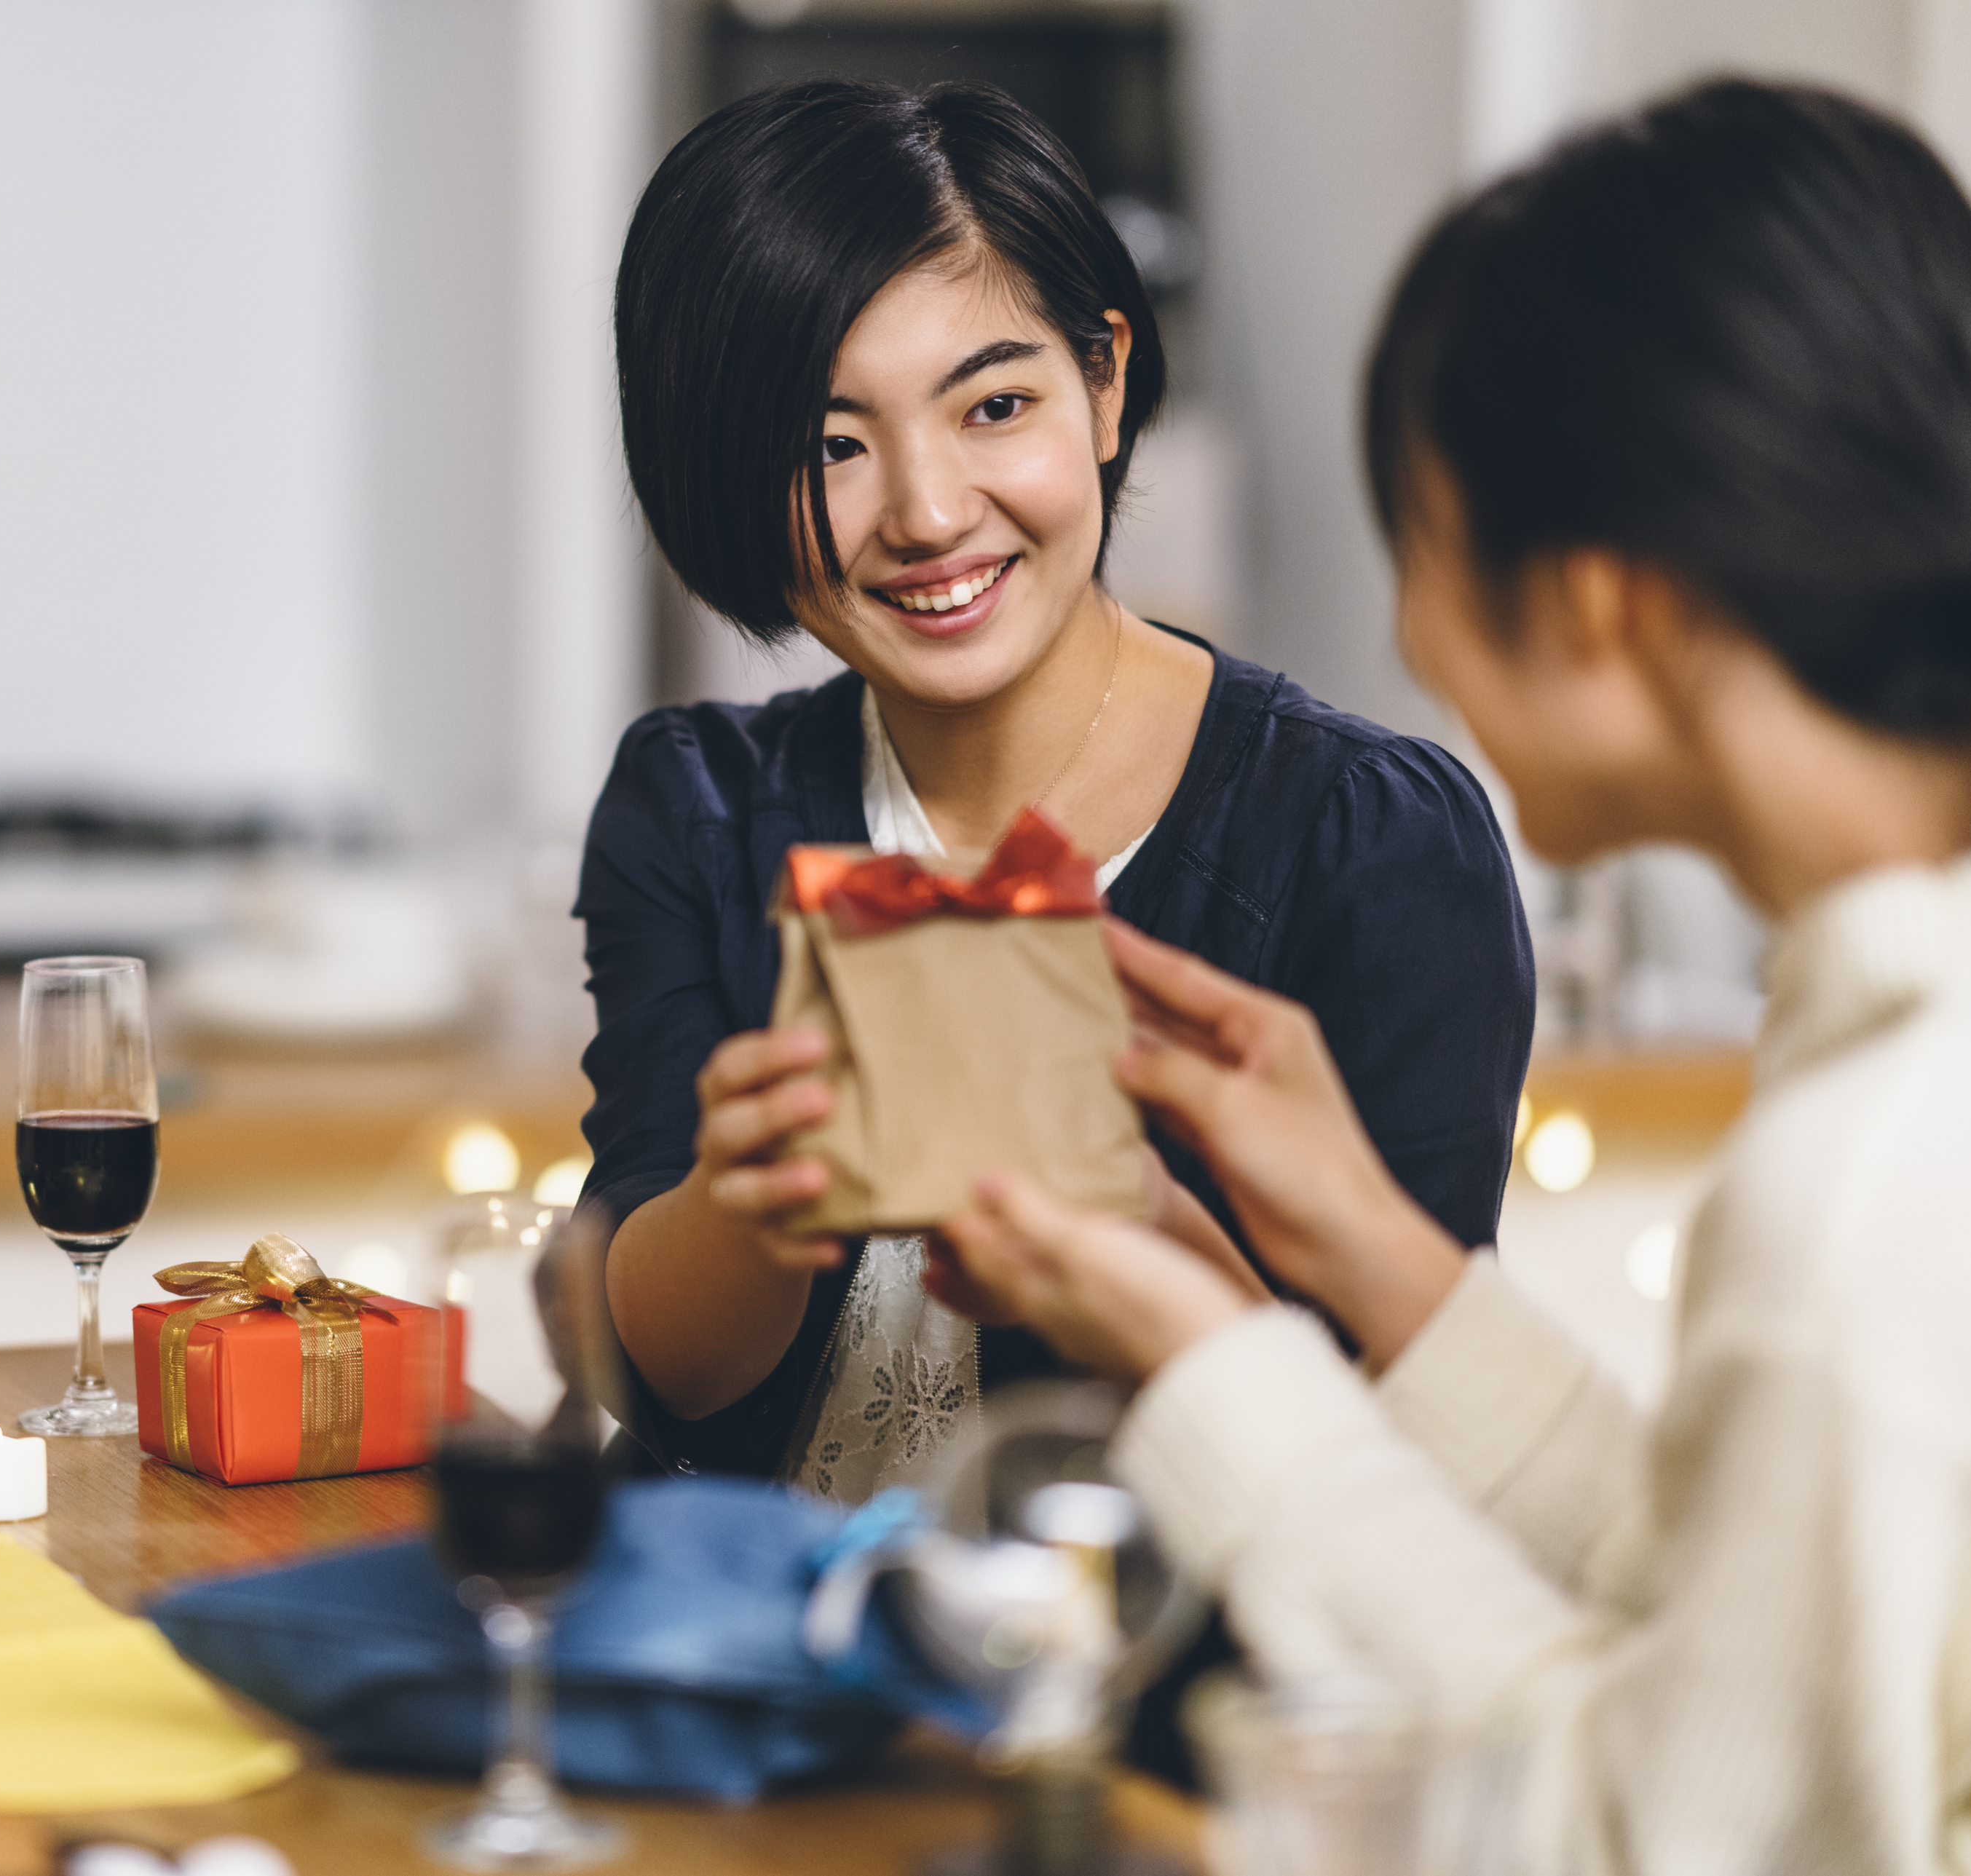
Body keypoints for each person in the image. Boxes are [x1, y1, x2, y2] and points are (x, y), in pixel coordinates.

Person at [927, 80, 1971, 1871]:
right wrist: (1373, 1248)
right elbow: (1760, 1642)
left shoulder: (1875, 1181)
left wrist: (1213, 1357)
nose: (1413, 638)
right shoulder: (1926, 1051)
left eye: (1418, 541)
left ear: (1597, 600)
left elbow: (1633, 1834)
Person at [577, 77, 1533, 1506]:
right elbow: (660, 1378)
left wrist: (1132, 1220)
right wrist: (746, 1194)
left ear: (1105, 382)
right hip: (745, 1676)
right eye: (828, 443)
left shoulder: (1369, 840)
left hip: (1156, 1693)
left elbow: (1398, 1466)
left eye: (995, 404)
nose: (928, 510)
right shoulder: (700, 806)